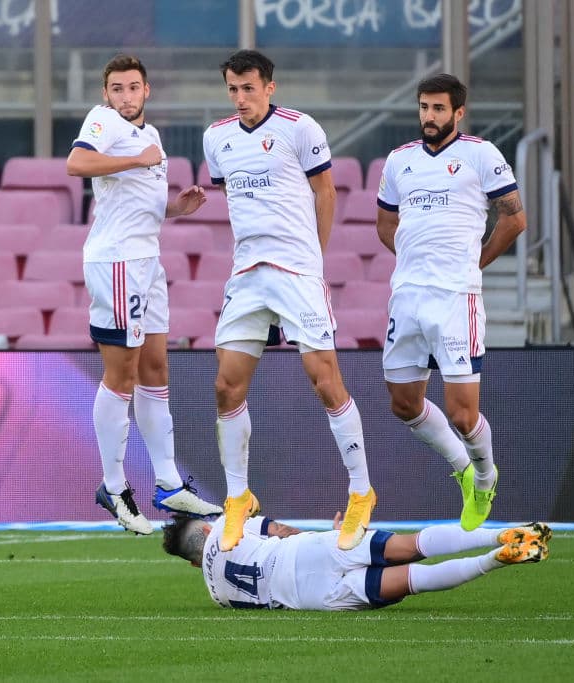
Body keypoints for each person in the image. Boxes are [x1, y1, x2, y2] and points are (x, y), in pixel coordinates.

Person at [201, 49, 375, 552]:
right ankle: (238, 497)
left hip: (297, 272)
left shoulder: (301, 129)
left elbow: (326, 192)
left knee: (325, 381)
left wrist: (313, 259)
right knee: (225, 386)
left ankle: (361, 490)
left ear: (269, 87)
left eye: (248, 88)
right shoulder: (218, 138)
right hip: (247, 276)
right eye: (233, 89)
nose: (240, 98)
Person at [66, 53, 222, 534]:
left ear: (147, 91)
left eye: (134, 87)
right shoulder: (103, 122)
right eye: (117, 88)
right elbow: (77, 163)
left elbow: (140, 205)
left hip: (147, 262)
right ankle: (113, 488)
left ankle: (169, 483)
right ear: (106, 94)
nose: (126, 96)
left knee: (156, 370)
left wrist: (177, 207)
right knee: (123, 375)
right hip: (117, 262)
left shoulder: (150, 137)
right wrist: (135, 159)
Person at [375, 74, 527, 531]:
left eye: (439, 109)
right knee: (403, 404)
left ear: (458, 113)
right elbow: (385, 224)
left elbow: (515, 218)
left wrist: (473, 263)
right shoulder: (399, 161)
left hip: (456, 298)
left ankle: (483, 475)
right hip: (407, 296)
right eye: (424, 107)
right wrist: (415, 262)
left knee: (463, 413)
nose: (429, 117)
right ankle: (462, 468)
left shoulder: (481, 154)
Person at [162, 512, 550, 611]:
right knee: (411, 544)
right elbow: (278, 531)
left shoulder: (217, 595)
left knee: (414, 579)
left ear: (192, 564)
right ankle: (496, 535)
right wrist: (329, 536)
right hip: (307, 551)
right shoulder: (228, 525)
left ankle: (494, 560)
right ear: (209, 530)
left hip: (313, 596)